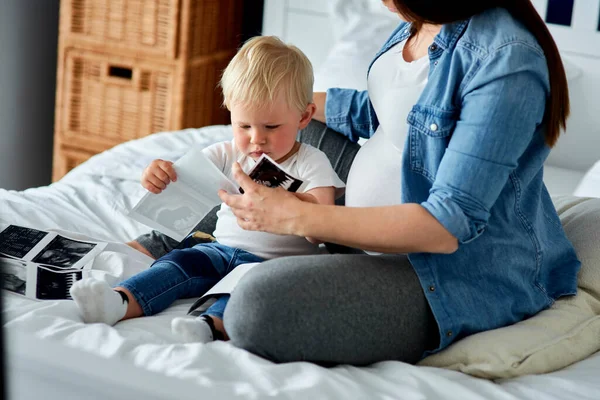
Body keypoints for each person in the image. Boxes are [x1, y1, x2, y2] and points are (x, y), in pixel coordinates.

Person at [128, 0, 581, 366]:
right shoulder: (419, 22)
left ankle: (228, 253)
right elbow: (389, 113)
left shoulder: (507, 62)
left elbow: (447, 225)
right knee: (267, 141)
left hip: (441, 270)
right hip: (344, 221)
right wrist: (288, 106)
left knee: (255, 307)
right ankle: (180, 237)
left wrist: (305, 216)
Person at [69, 35, 345, 342]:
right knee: (177, 263)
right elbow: (180, 180)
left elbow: (323, 226)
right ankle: (119, 302)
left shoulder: (312, 161)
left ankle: (208, 326)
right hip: (219, 249)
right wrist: (158, 173)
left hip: (272, 266)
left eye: (271, 127)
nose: (256, 139)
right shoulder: (228, 153)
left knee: (248, 294)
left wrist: (292, 202)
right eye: (244, 126)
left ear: (304, 116)